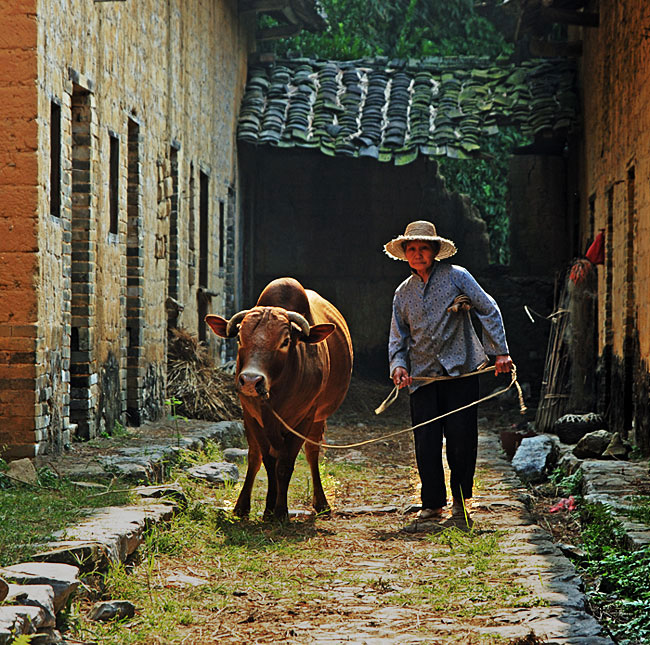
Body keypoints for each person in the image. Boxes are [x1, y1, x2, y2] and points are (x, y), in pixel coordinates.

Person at [385, 220, 512, 520]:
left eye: (423, 249)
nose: (418, 254)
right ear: (405, 254)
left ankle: (460, 499)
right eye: (412, 249)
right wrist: (399, 365)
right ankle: (432, 503)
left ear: (435, 252)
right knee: (426, 441)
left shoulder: (458, 277)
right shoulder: (402, 294)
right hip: (423, 377)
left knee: (461, 438)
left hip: (461, 374)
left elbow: (489, 309)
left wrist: (501, 353)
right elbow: (398, 337)